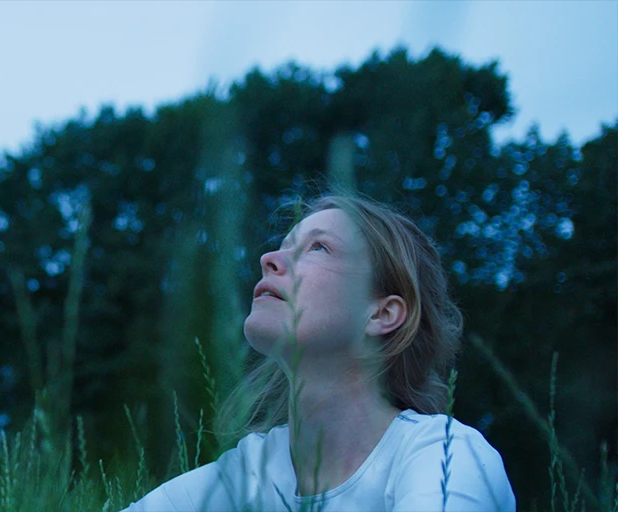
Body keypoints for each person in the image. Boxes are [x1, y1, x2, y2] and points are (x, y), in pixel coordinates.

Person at [123, 194, 515, 512]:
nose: (268, 260)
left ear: (381, 313)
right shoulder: (254, 471)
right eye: (281, 247)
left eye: (319, 248)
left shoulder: (445, 457)